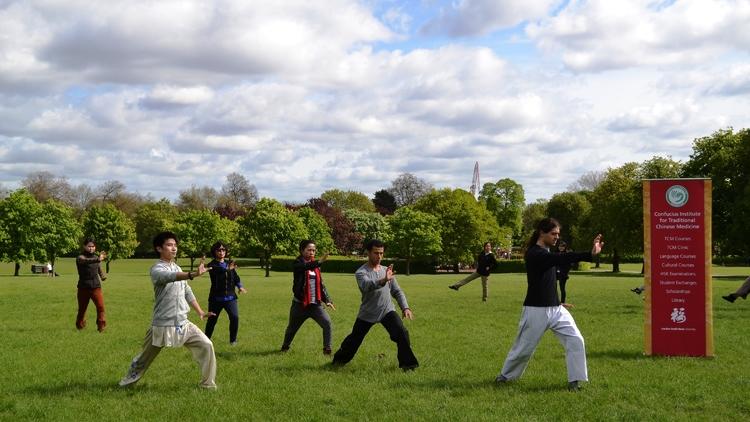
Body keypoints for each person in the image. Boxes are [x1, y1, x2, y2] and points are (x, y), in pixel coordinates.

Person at [496, 218, 602, 391]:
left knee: (576, 339)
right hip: (536, 310)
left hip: (556, 309)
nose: (557, 237)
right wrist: (589, 254)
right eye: (553, 234)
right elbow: (562, 258)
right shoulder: (535, 253)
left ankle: (574, 382)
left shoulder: (545, 252)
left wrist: (558, 302)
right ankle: (505, 377)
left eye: (558, 234)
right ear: (541, 232)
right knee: (524, 348)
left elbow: (548, 281)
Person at [119, 231, 217, 389]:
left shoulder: (176, 266)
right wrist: (192, 274)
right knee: (143, 359)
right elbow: (170, 277)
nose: (174, 248)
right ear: (159, 248)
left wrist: (200, 312)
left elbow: (187, 291)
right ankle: (126, 384)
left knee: (207, 345)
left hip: (182, 323)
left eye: (175, 245)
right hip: (162, 324)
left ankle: (208, 385)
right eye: (169, 245)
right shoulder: (156, 269)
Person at [332, 239, 418, 371]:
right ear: (368, 253)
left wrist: (405, 307)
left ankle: (409, 365)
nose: (379, 256)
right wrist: (384, 279)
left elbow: (397, 291)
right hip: (368, 313)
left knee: (402, 333)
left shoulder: (386, 270)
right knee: (354, 340)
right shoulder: (361, 272)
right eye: (376, 253)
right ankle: (338, 361)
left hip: (387, 311)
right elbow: (367, 285)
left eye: (381, 253)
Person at [281, 240, 335, 355]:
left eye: (314, 250)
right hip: (300, 304)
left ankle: (327, 350)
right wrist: (319, 261)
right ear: (302, 250)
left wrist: (327, 300)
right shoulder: (298, 264)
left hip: (315, 304)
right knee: (292, 329)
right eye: (309, 250)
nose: (312, 252)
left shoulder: (316, 267)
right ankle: (285, 347)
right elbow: (305, 266)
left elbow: (321, 285)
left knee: (327, 323)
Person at [204, 241, 246, 346]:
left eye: (223, 249)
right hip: (216, 299)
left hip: (230, 298)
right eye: (219, 250)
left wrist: (240, 287)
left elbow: (235, 277)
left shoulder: (229, 264)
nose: (221, 252)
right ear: (215, 252)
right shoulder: (212, 265)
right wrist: (228, 269)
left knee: (235, 317)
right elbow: (219, 272)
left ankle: (233, 341)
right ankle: (205, 341)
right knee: (212, 321)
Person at [75, 238, 108, 332]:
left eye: (93, 246)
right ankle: (80, 326)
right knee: (82, 309)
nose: (91, 248)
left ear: (95, 247)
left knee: (101, 307)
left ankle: (101, 327)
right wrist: (98, 259)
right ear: (84, 246)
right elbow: (86, 261)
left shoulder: (96, 258)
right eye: (89, 246)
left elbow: (98, 267)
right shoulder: (80, 257)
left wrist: (102, 276)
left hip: (96, 287)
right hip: (83, 287)